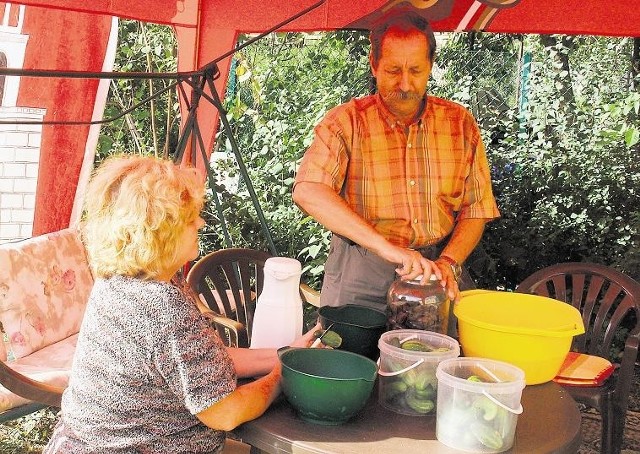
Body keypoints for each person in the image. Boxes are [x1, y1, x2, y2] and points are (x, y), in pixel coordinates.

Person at [44, 155, 317, 454]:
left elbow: (199, 363)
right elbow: (226, 413)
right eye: (189, 218)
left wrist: (285, 355)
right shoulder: (162, 306)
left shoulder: (118, 282)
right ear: (159, 232)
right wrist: (283, 375)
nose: (200, 222)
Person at [292, 10, 500, 309]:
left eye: (415, 71)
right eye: (393, 71)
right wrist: (388, 249)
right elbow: (308, 191)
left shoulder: (459, 123)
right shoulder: (346, 122)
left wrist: (448, 261)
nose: (404, 84)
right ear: (373, 65)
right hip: (362, 267)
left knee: (435, 354)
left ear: (430, 66)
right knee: (349, 353)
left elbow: (477, 208)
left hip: (435, 271)